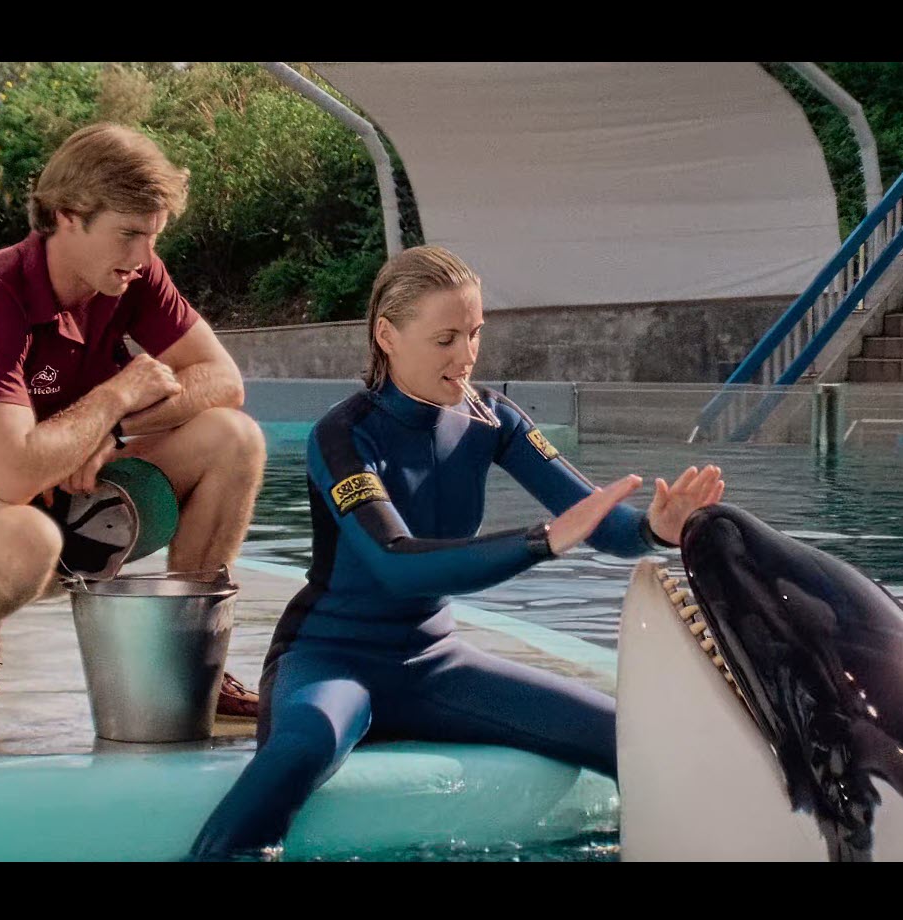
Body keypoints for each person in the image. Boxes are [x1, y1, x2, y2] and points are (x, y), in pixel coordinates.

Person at [190, 244, 724, 858]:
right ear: (387, 336)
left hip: (433, 663)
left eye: (474, 334)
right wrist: (541, 542)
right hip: (330, 660)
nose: (466, 356)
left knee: (622, 739)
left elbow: (603, 524)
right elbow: (396, 564)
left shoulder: (492, 419)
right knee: (301, 749)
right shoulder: (343, 436)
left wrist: (656, 529)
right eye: (445, 339)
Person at [0, 123, 265, 721]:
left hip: (81, 493)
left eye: (152, 236)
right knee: (29, 542)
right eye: (128, 234)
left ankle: (192, 657)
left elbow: (223, 380)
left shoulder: (133, 274)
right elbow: (14, 477)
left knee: (235, 438)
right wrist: (117, 395)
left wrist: (112, 432)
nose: (142, 256)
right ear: (68, 215)